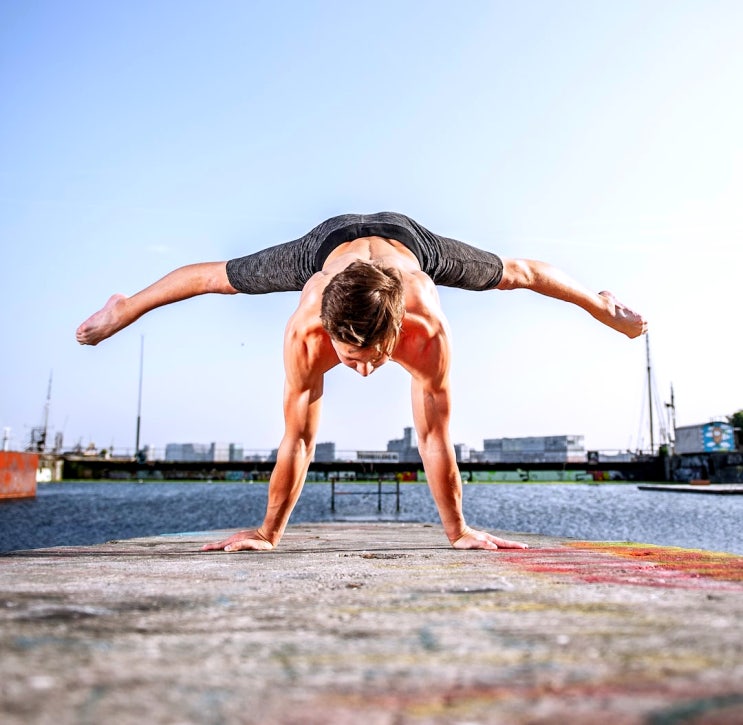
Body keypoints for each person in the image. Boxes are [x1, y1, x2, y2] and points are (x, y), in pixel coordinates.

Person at [76, 212, 647, 552]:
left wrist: (459, 531)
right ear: (328, 332)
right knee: (218, 280)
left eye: (375, 356)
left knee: (513, 274)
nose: (367, 370)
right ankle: (124, 307)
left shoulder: (427, 330)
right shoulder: (306, 330)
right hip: (326, 247)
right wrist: (267, 533)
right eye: (351, 358)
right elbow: (297, 437)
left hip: (408, 242)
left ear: (400, 330)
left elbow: (434, 435)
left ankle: (599, 302)